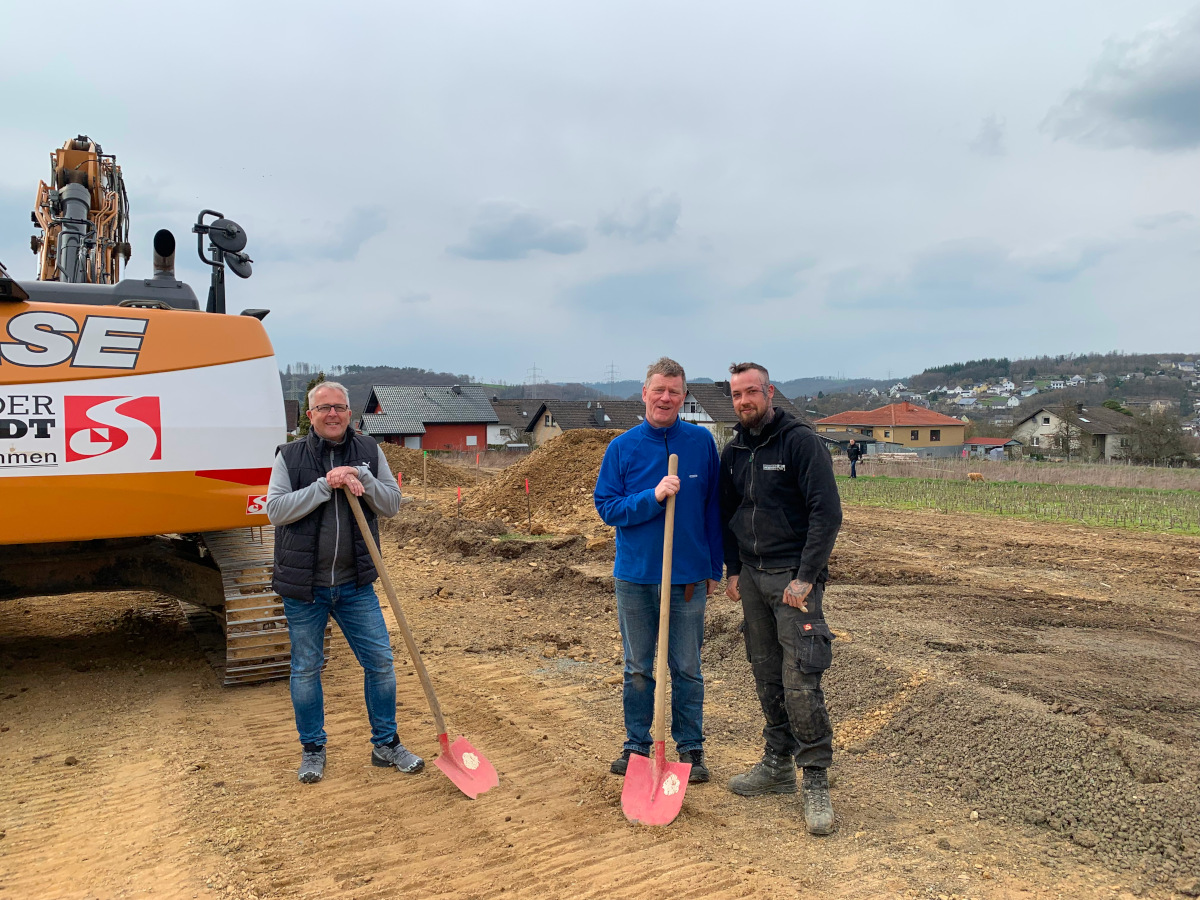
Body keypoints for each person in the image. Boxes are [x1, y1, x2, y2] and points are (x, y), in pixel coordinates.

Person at [266, 381, 422, 784]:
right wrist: (324, 485)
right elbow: (276, 511)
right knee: (305, 669)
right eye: (323, 408)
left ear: (350, 413)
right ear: (309, 415)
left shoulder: (370, 451)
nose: (332, 414)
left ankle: (386, 743)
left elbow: (392, 505)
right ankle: (313, 749)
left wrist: (361, 478)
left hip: (355, 585)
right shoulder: (290, 455)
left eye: (339, 407)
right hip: (305, 589)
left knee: (381, 664)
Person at [719, 362, 844, 835]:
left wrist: (807, 576)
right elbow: (727, 513)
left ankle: (814, 777)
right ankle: (776, 764)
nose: (744, 400)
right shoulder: (734, 451)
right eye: (737, 394)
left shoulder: (799, 441)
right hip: (751, 578)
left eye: (752, 391)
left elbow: (826, 513)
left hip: (793, 579)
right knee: (766, 673)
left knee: (801, 679)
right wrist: (733, 570)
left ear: (769, 392)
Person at [594, 357, 724, 784]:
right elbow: (607, 507)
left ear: (683, 397)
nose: (665, 397)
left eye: (674, 391)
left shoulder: (702, 444)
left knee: (687, 666)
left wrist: (713, 567)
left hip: (687, 577)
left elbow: (713, 509)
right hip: (635, 575)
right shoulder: (623, 448)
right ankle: (635, 745)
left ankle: (691, 747)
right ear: (644, 393)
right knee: (638, 666)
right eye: (658, 389)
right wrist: (652, 496)